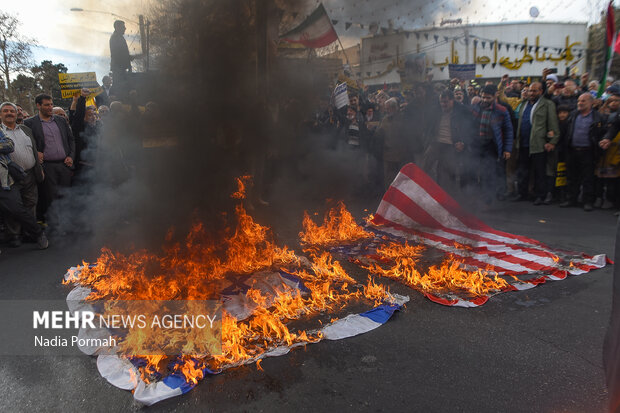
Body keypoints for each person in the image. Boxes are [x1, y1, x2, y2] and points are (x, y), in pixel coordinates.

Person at [0, 102, 45, 247]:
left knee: (30, 203)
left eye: (12, 111)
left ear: (16, 114)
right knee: (14, 206)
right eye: (5, 111)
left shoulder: (26, 129)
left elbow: (33, 149)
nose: (9, 113)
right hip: (9, 177)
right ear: (0, 114)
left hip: (29, 173)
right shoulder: (1, 130)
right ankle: (14, 235)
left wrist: (38, 168)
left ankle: (29, 234)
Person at [24, 93, 75, 221]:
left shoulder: (61, 120)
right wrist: (36, 152)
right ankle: (54, 225)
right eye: (46, 105)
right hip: (47, 167)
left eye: (51, 104)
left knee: (66, 195)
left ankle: (67, 222)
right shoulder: (29, 123)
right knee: (51, 197)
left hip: (64, 165)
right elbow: (26, 144)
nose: (50, 107)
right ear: (38, 105)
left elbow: (71, 140)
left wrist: (70, 156)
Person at [514, 81, 560, 205]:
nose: (531, 93)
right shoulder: (524, 104)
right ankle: (522, 193)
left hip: (539, 144)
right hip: (523, 142)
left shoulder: (547, 104)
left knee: (540, 172)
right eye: (530, 90)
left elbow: (553, 125)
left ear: (541, 91)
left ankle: (540, 195)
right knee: (523, 170)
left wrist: (552, 141)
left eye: (535, 91)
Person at [560, 92, 606, 211]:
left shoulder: (597, 117)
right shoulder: (573, 115)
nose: (580, 103)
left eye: (583, 101)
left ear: (591, 102)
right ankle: (571, 199)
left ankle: (587, 201)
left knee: (588, 178)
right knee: (572, 176)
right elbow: (566, 131)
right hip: (573, 150)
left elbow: (602, 133)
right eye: (579, 101)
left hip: (588, 151)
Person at [422, 89, 472, 194]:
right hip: (436, 143)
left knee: (447, 171)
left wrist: (463, 142)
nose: (443, 104)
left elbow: (470, 129)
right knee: (425, 164)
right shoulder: (436, 110)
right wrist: (427, 139)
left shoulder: (462, 111)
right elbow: (428, 126)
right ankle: (422, 189)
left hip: (450, 145)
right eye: (441, 102)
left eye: (445, 102)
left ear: (452, 100)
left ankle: (448, 195)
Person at [470, 84, 513, 203]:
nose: (485, 100)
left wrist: (507, 149)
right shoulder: (475, 108)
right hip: (477, 144)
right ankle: (474, 195)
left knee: (489, 171)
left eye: (488, 98)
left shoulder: (501, 110)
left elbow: (508, 130)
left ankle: (488, 197)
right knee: (473, 169)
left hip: (491, 145)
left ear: (495, 96)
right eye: (483, 97)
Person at [109, 20, 135, 94]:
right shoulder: (115, 38)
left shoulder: (119, 37)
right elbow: (118, 55)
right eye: (123, 27)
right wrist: (129, 58)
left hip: (120, 68)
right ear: (117, 27)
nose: (125, 28)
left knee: (121, 87)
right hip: (118, 68)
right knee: (118, 88)